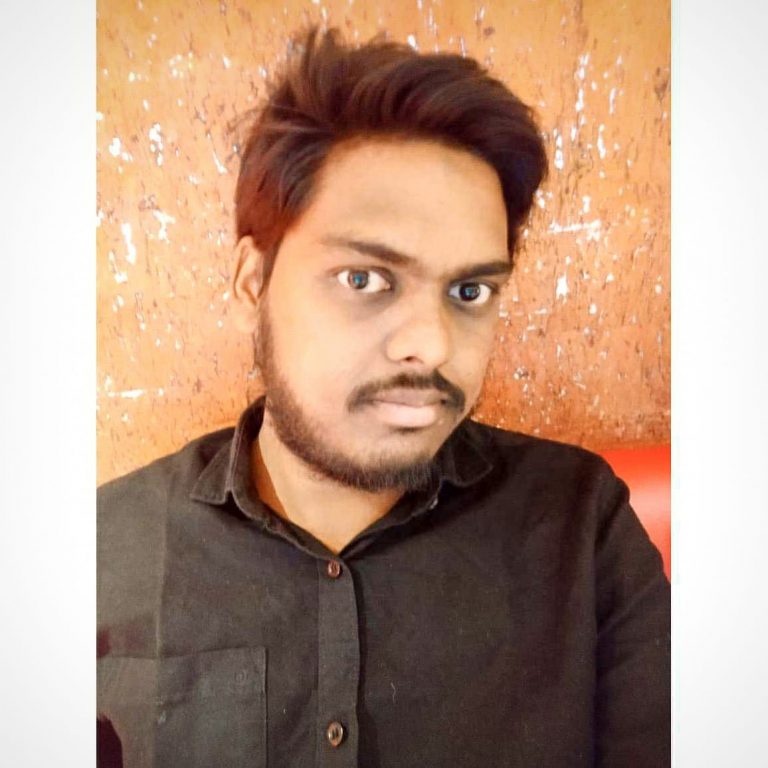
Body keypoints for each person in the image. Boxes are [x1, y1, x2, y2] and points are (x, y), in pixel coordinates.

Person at [97, 26, 670, 768]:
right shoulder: (98, 551)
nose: (431, 345)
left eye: (470, 291)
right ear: (251, 283)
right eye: (365, 279)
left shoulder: (579, 523)